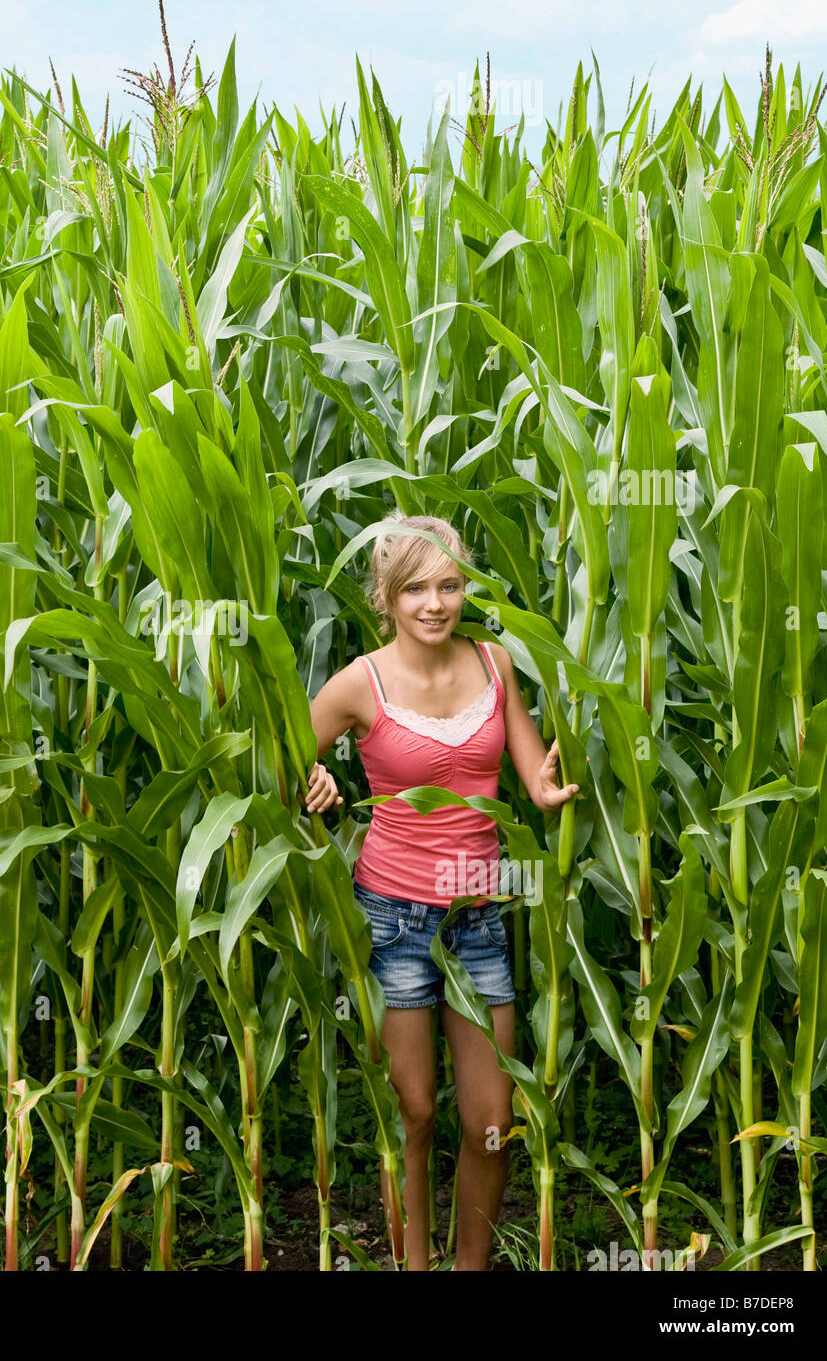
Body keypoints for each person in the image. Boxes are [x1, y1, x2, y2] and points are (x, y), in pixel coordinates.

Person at [304, 513, 577, 1271]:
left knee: (493, 1119)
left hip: (478, 917)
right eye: (416, 589)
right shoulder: (360, 682)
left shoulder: (494, 664)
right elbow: (282, 751)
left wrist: (548, 791)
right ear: (386, 598)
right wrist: (313, 778)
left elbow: (528, 767)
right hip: (393, 919)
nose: (435, 604)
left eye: (450, 586)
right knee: (414, 1114)